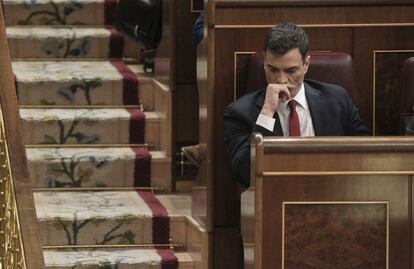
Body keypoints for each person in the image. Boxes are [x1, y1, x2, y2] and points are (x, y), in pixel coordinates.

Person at [224, 22, 370, 188]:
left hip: (332, 192)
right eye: (273, 70)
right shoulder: (240, 112)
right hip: (275, 197)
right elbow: (244, 174)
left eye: (291, 71)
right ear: (264, 61)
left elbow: (365, 157)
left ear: (306, 64)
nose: (281, 80)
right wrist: (267, 113)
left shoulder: (337, 100)